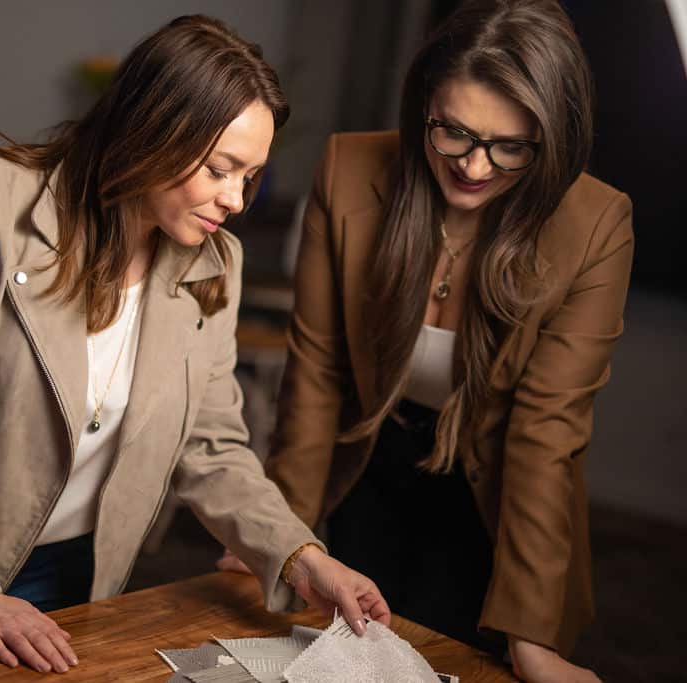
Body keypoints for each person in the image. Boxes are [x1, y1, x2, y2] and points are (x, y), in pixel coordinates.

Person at [0, 15, 390, 671]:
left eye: (249, 176)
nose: (235, 199)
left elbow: (211, 446)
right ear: (154, 131)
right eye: (220, 169)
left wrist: (300, 556)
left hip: (72, 574)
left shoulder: (215, 265)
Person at [218, 1, 630, 681]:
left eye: (510, 146)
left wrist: (530, 633)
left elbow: (545, 432)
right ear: (424, 107)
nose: (474, 166)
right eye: (454, 132)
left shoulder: (597, 222)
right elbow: (317, 369)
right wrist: (279, 538)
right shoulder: (349, 167)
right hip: (366, 463)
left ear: (550, 138)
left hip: (492, 492)